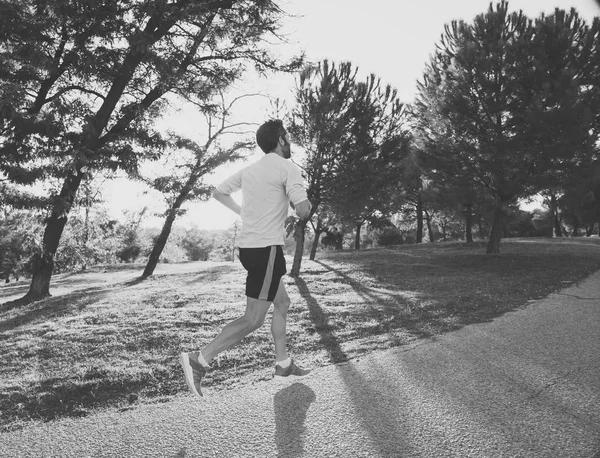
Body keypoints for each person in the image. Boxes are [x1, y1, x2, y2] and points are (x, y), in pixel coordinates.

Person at [180, 119, 313, 398]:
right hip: (267, 252)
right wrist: (304, 201)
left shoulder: (251, 169)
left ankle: (283, 363)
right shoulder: (288, 167)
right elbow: (302, 210)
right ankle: (199, 359)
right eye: (288, 136)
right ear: (280, 139)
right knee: (253, 319)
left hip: (251, 249)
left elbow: (219, 193)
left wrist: (244, 213)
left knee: (283, 302)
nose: (290, 141)